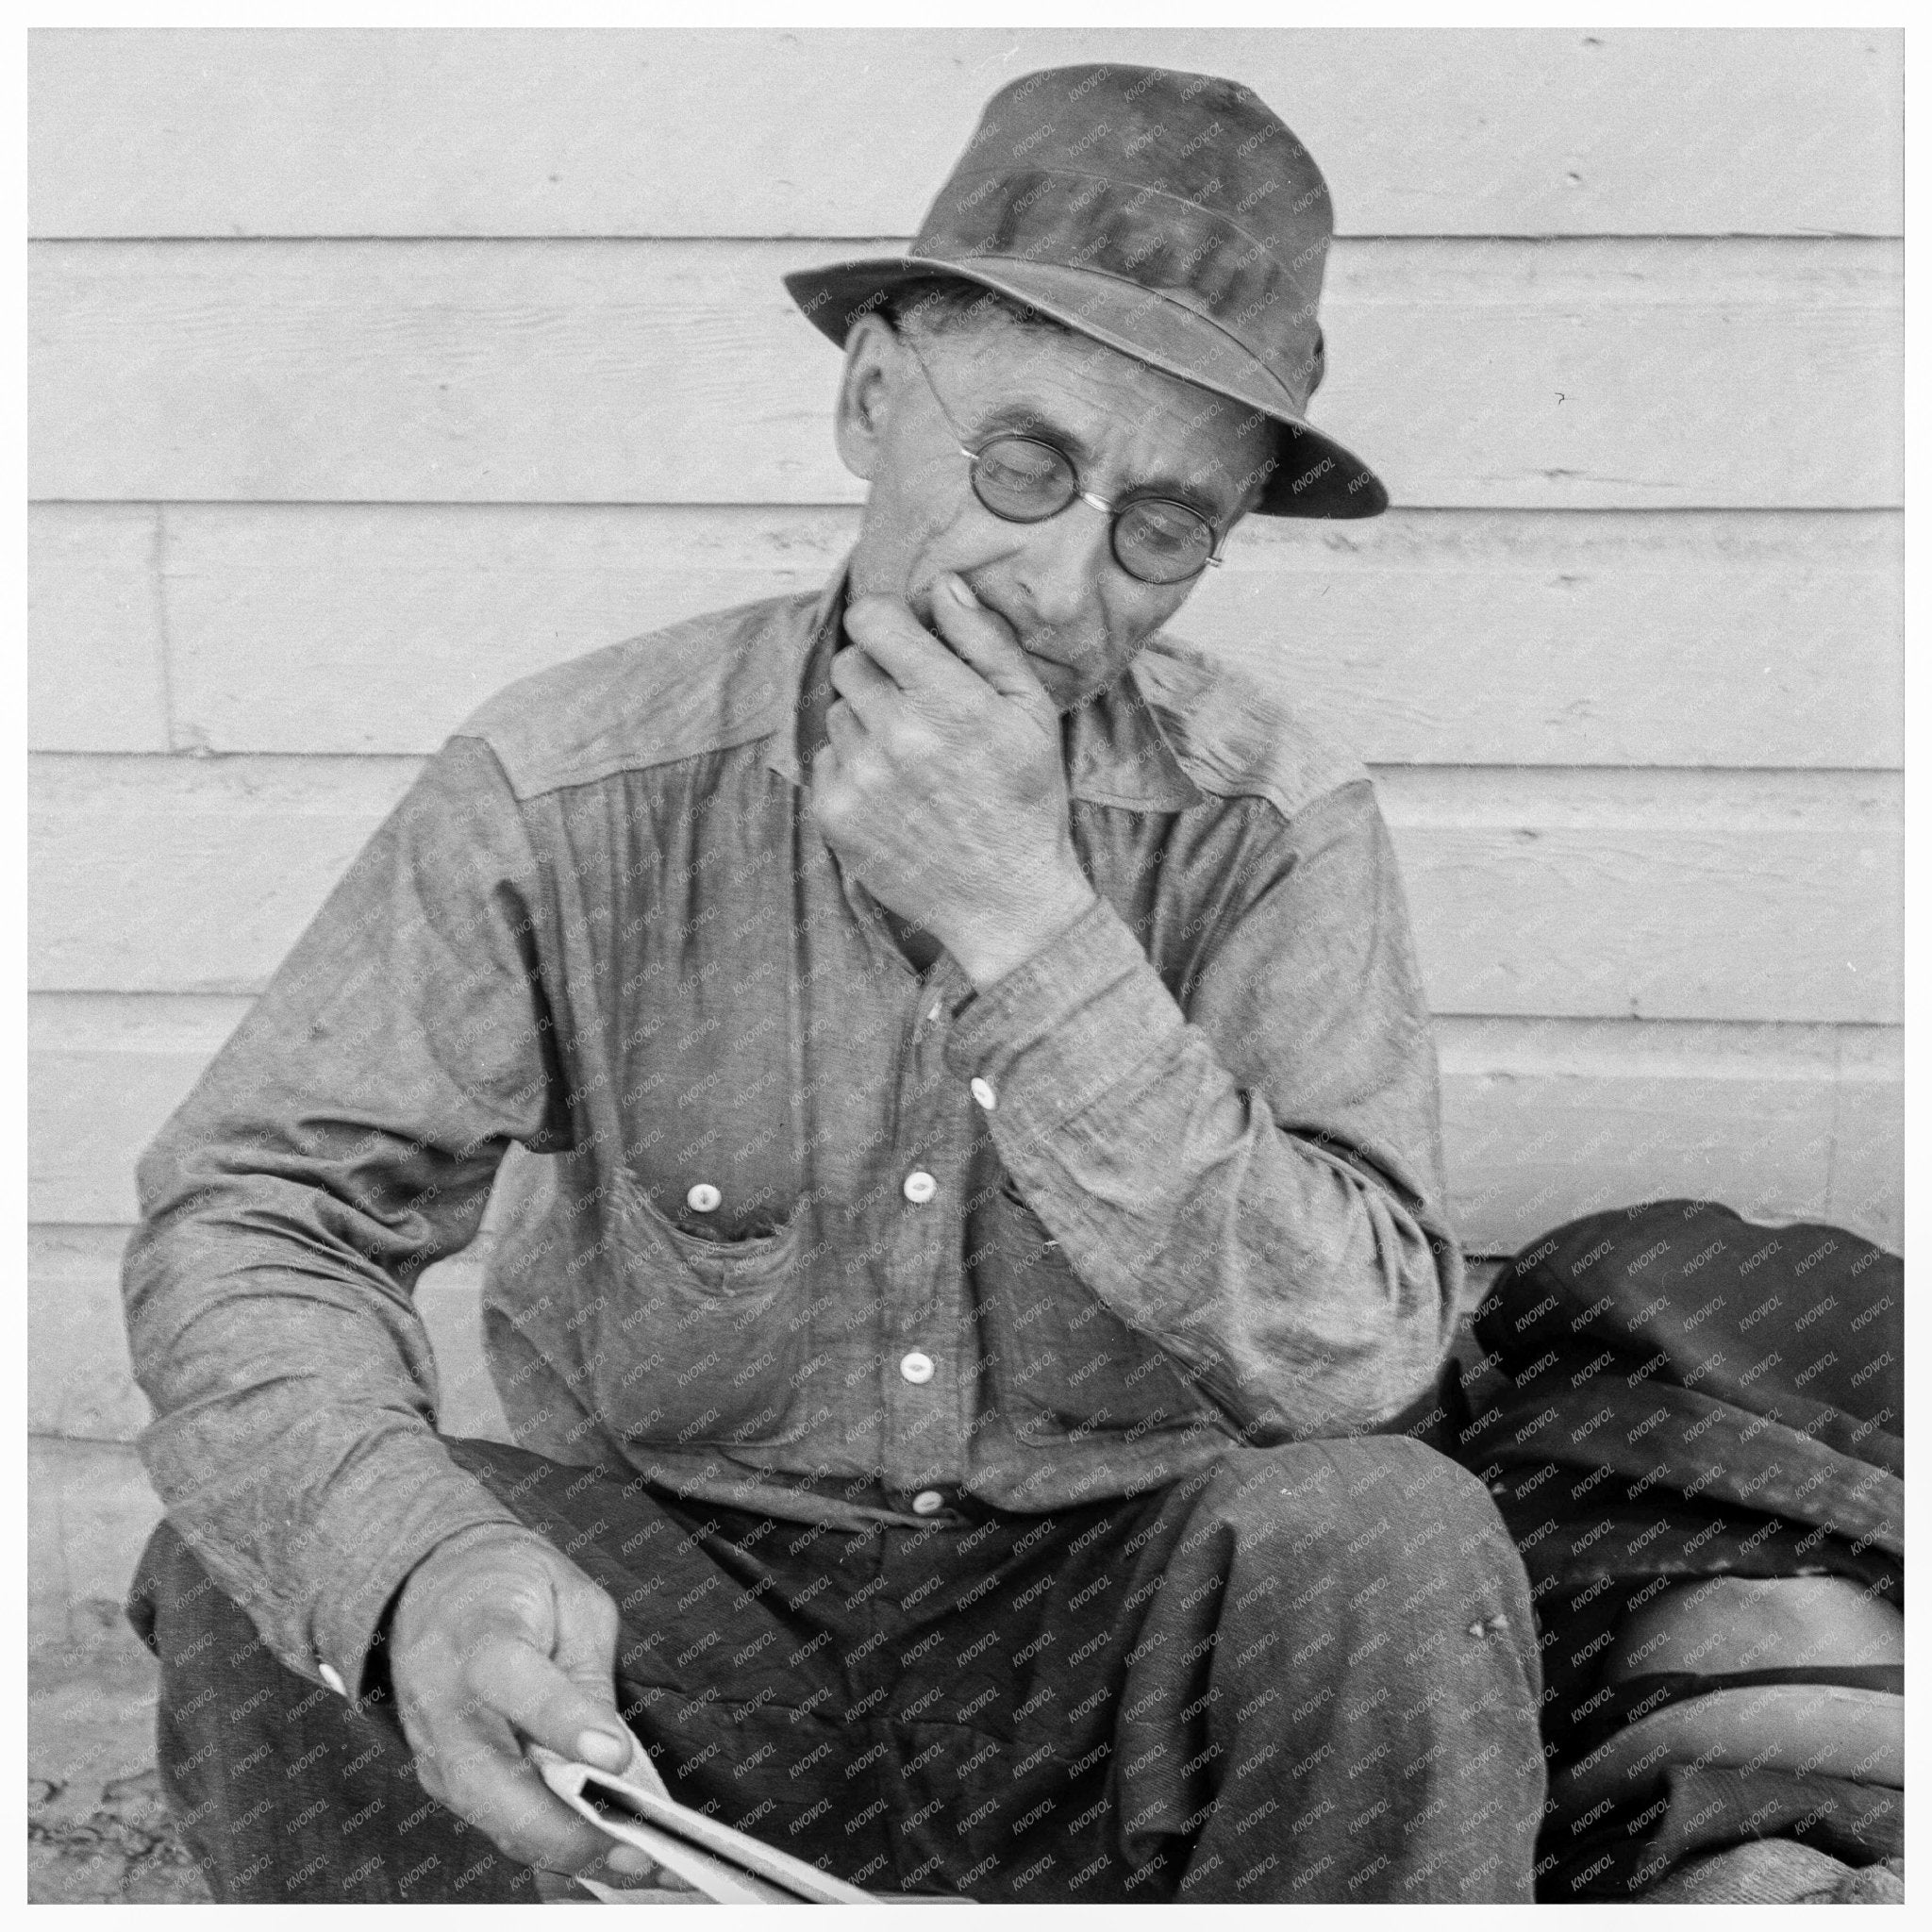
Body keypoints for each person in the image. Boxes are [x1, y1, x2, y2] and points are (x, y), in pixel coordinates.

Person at [122, 62, 1546, 1903]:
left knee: (1396, 1543)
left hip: (1109, 1665)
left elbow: (1366, 1358)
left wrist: (1032, 935)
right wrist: (415, 1565)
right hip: (675, 1654)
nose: (1056, 577)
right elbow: (251, 1210)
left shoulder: (1272, 821)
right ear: (873, 395)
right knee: (274, 1576)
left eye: (1159, 527)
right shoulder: (569, 785)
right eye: (1023, 461)